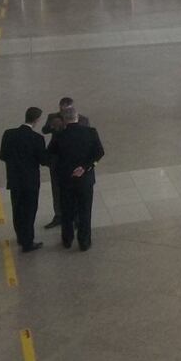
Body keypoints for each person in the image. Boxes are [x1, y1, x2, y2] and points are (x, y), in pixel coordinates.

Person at [47, 104, 104, 251]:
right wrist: (85, 167)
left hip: (66, 180)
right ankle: (84, 242)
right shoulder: (91, 132)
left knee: (67, 211)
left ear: (65, 120)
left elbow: (50, 153)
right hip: (85, 180)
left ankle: (67, 239)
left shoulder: (60, 136)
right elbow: (99, 153)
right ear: (77, 117)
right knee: (85, 210)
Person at [0, 107, 48, 252]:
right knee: (29, 211)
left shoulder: (9, 134)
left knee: (17, 208)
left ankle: (20, 236)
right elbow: (43, 160)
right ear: (37, 120)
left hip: (14, 179)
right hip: (30, 181)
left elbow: (2, 156)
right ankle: (28, 242)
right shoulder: (37, 139)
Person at [40, 97, 90, 229]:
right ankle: (59, 215)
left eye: (66, 110)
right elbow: (44, 130)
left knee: (76, 189)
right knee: (56, 189)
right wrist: (52, 126)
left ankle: (76, 217)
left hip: (74, 160)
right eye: (61, 110)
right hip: (57, 160)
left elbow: (86, 138)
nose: (63, 113)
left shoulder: (83, 120)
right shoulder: (53, 117)